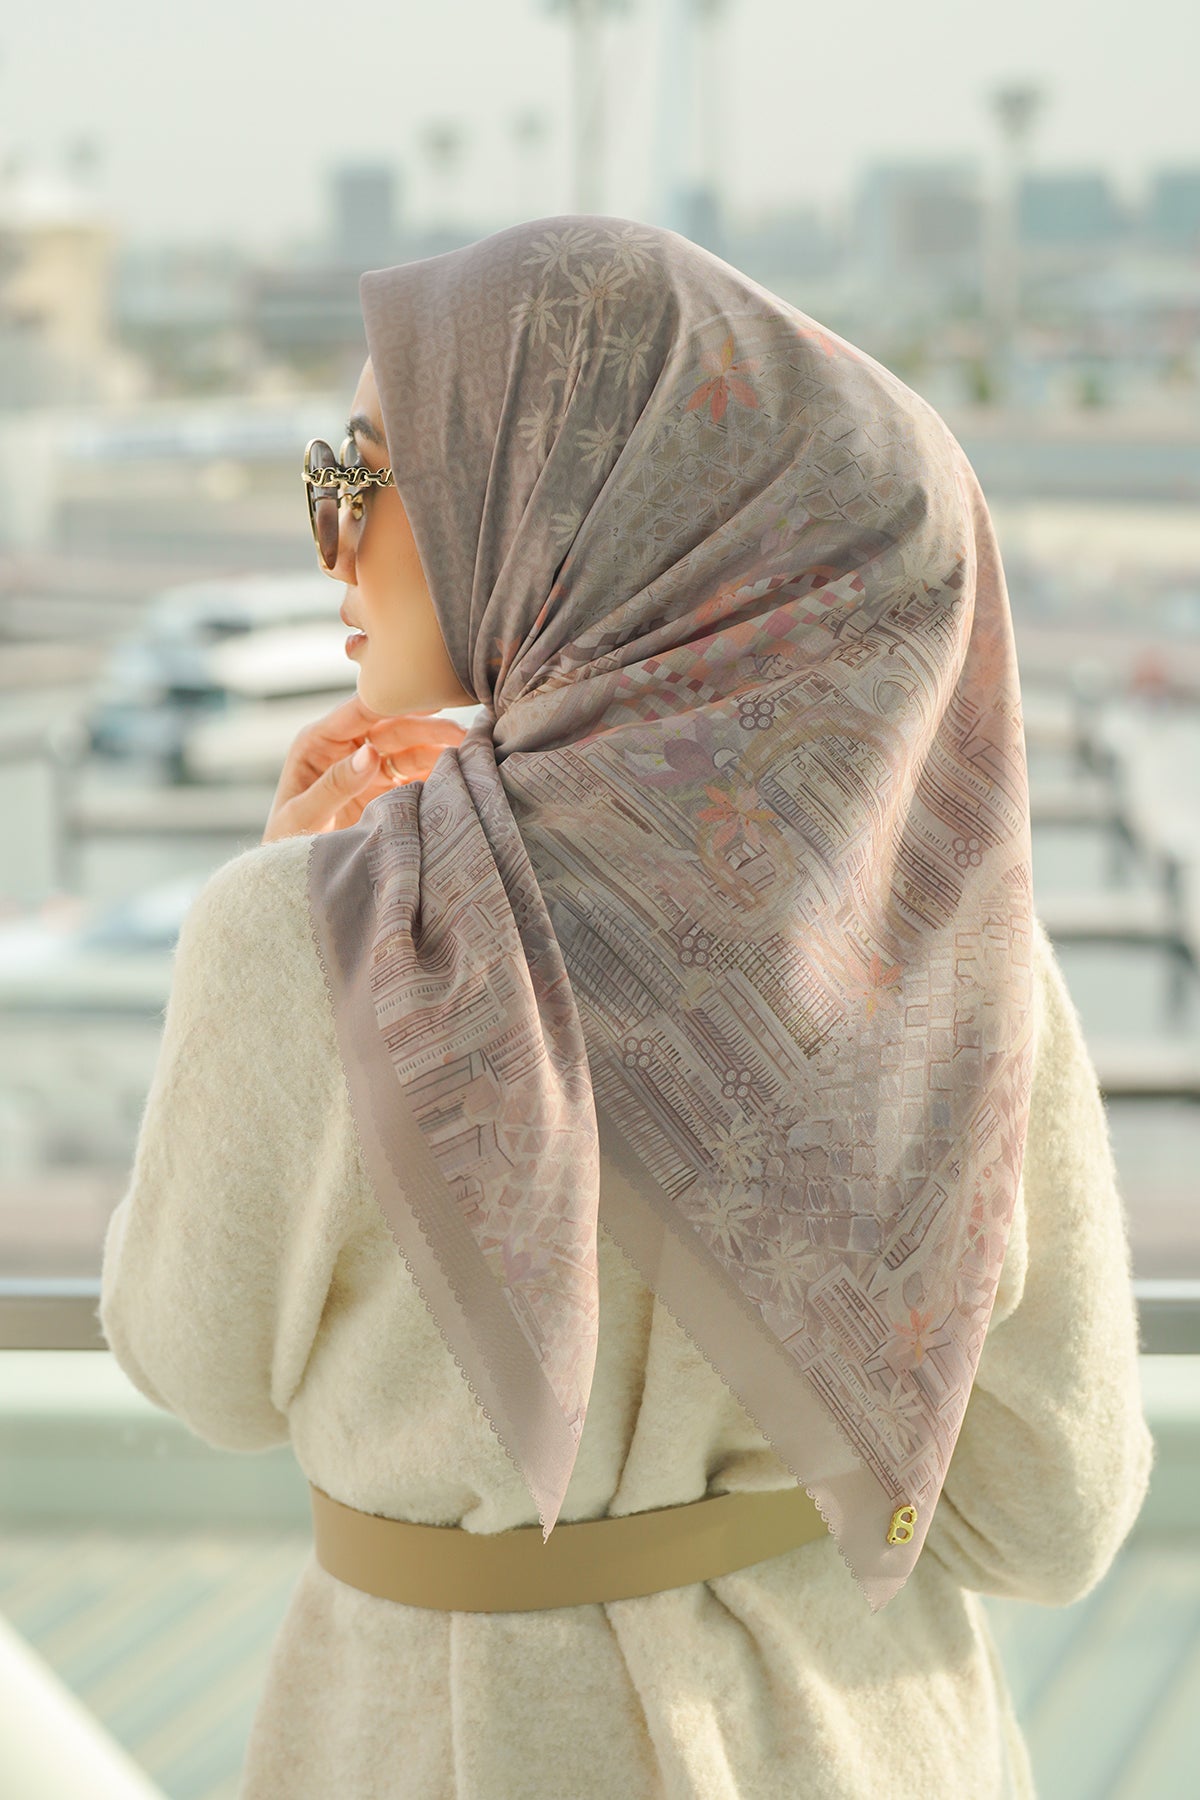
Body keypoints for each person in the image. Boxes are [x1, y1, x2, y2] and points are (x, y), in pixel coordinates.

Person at [98, 215, 1154, 1799]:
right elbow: (1051, 1515)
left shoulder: (305, 943)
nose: (330, 538)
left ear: (557, 511)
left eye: (366, 475)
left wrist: (299, 899)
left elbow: (202, 1373)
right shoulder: (955, 963)